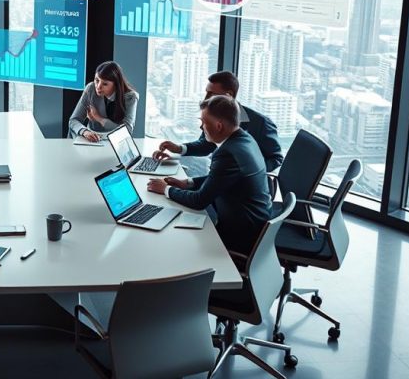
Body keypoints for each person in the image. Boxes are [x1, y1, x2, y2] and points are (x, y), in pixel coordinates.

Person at [147, 95, 272, 254]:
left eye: (204, 122)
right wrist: (187, 183)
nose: (201, 128)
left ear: (219, 126)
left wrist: (166, 189)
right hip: (255, 220)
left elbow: (199, 201)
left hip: (241, 232)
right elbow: (222, 179)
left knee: (173, 240)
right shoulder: (245, 139)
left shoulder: (228, 153)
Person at [153, 71, 284, 172]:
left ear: (229, 95)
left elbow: (276, 159)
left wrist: (247, 169)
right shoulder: (212, 116)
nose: (206, 98)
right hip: (217, 175)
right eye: (206, 93)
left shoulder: (261, 123)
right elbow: (205, 145)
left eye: (211, 94)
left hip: (244, 189)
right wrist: (178, 148)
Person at [68, 61, 140, 142]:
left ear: (116, 84)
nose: (98, 87)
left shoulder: (131, 97)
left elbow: (127, 130)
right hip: (92, 140)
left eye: (105, 84)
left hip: (117, 142)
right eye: (97, 80)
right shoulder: (90, 89)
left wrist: (99, 119)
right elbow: (73, 120)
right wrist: (85, 132)